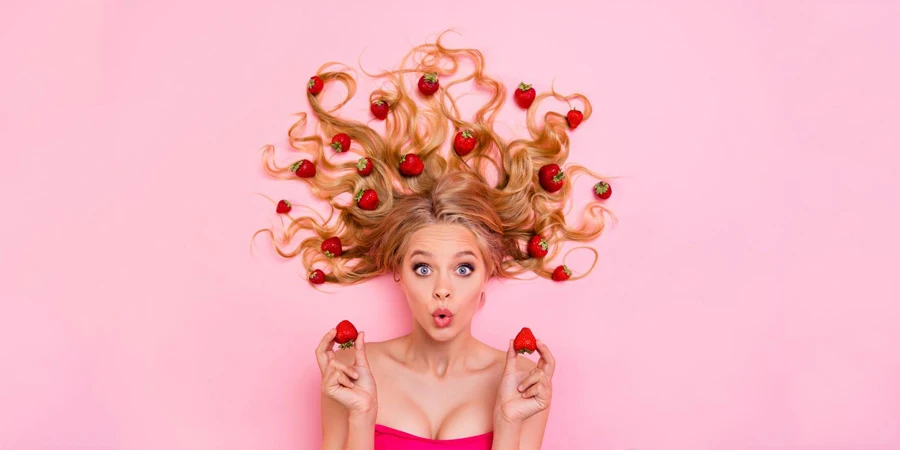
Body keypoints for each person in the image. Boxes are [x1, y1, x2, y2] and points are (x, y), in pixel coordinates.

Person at [255, 31, 615, 450]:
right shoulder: (350, 371)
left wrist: (508, 424)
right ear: (399, 275)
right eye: (422, 268)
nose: (442, 288)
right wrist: (361, 418)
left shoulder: (519, 382)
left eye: (464, 268)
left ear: (486, 276)